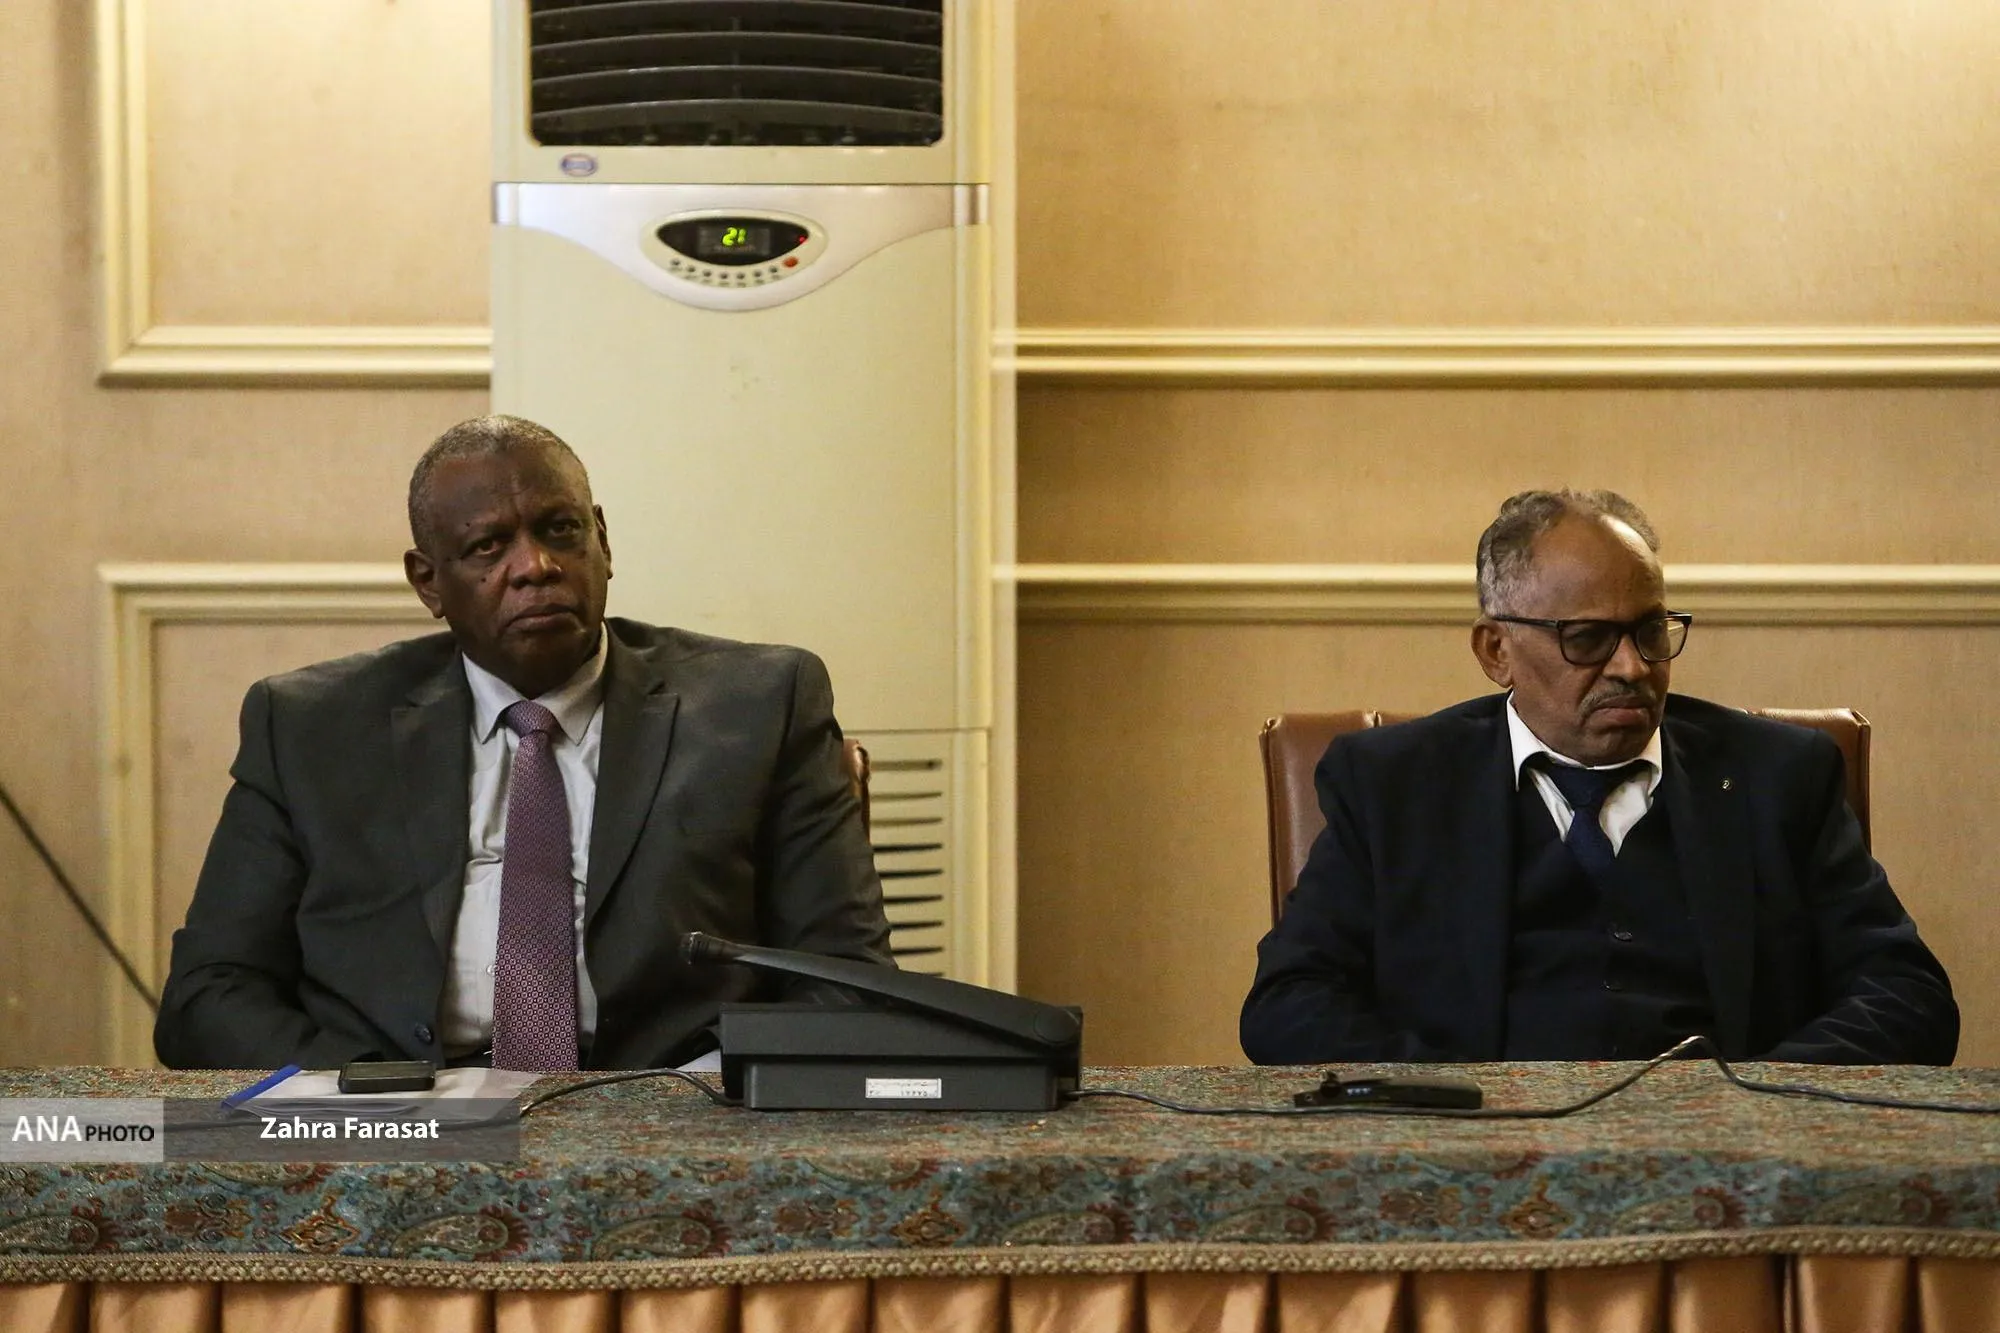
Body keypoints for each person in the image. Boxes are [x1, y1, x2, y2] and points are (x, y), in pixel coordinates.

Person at [156, 415, 892, 1071]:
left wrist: (696, 1094)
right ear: (428, 582)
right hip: (400, 1119)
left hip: (667, 1112)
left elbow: (848, 982)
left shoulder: (759, 705)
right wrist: (376, 1096)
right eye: (488, 546)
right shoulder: (312, 727)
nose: (535, 566)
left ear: (603, 540)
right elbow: (209, 995)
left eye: (560, 530)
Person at [1241, 489, 1957, 1066]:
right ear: (1496, 651)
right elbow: (1290, 1001)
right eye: (1587, 638)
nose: (1633, 667)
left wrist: (1751, 1104)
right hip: (1476, 1158)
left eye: (1650, 630)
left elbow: (1906, 994)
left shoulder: (1778, 776)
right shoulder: (1392, 785)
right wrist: (1463, 1107)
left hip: (1726, 1159)